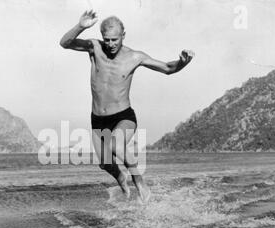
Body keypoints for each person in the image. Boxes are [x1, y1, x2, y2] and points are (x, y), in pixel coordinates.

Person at [60, 10, 194, 202]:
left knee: (116, 144)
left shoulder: (134, 57)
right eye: (107, 39)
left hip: (123, 116)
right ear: (102, 37)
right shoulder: (94, 48)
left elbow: (167, 68)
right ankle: (121, 178)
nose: (111, 44)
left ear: (123, 35)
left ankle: (140, 182)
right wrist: (80, 26)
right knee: (106, 164)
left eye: (115, 39)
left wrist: (182, 62)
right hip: (98, 119)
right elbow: (65, 43)